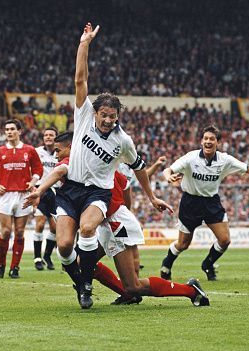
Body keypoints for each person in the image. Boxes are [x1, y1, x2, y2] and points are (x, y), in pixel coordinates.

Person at [53, 22, 173, 309]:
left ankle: (85, 286)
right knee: (64, 247)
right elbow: (80, 81)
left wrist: (152, 196)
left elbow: (139, 167)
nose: (108, 120)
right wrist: (85, 43)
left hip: (98, 194)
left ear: (119, 116)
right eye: (104, 115)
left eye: (113, 116)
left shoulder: (123, 141)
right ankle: (82, 282)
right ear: (95, 112)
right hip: (72, 190)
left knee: (87, 229)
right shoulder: (82, 116)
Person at [25, 140, 208, 307]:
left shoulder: (81, 165)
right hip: (109, 222)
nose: (56, 155)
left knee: (134, 286)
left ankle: (190, 290)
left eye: (59, 150)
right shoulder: (100, 166)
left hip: (115, 223)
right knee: (79, 264)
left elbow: (62, 172)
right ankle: (111, 290)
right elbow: (125, 185)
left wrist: (126, 212)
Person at [159, 125, 249, 281]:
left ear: (217, 143)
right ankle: (166, 264)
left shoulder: (224, 160)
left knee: (225, 240)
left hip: (211, 202)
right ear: (201, 141)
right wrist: (168, 177)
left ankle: (208, 264)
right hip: (190, 202)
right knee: (183, 244)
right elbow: (168, 170)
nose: (208, 141)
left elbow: (248, 168)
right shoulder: (191, 157)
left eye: (212, 139)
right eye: (206, 138)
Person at [0, 119, 43, 279]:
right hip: (4, 195)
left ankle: (15, 268)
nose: (9, 132)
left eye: (12, 129)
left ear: (19, 131)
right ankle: (1, 266)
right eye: (7, 129)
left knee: (19, 232)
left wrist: (32, 183)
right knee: (5, 232)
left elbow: (38, 169)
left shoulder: (29, 150)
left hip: (23, 195)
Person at [33, 127, 58, 270]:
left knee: (55, 228)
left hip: (55, 192)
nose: (48, 137)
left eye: (51, 135)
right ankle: (37, 258)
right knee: (40, 224)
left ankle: (47, 255)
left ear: (56, 137)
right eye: (46, 135)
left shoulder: (60, 153)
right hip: (40, 190)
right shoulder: (37, 152)